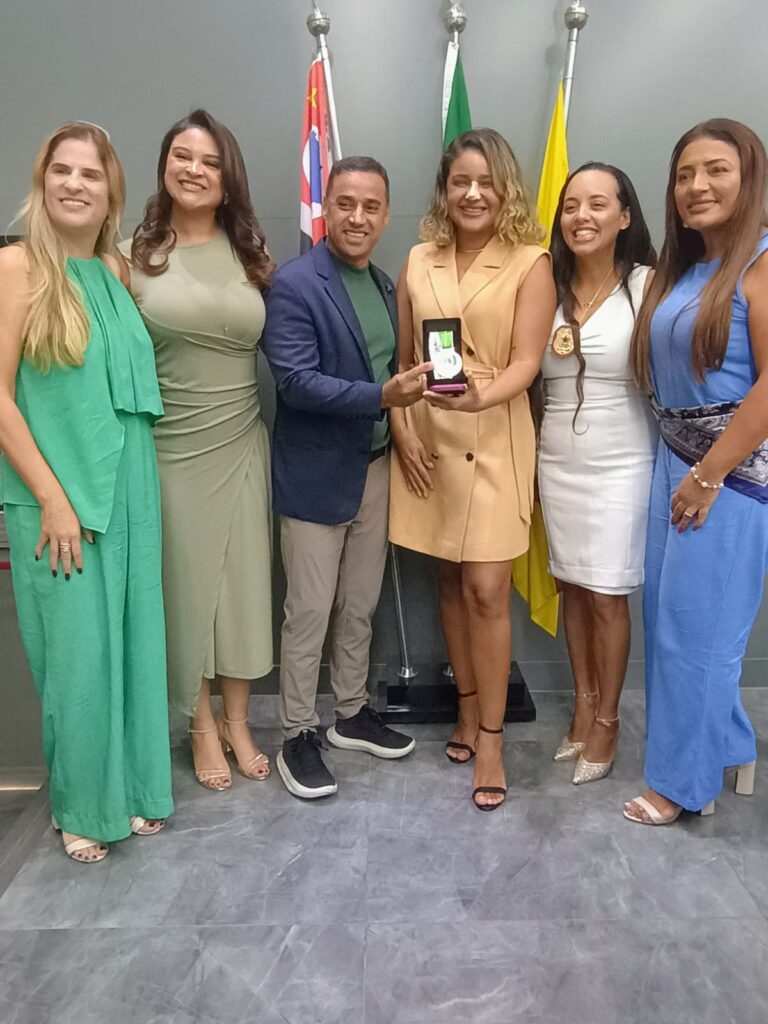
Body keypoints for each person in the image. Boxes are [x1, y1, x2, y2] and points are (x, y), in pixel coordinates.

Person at [0, 122, 173, 861]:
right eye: (61, 170)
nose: (74, 184)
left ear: (111, 194)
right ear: (42, 183)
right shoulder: (15, 268)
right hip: (56, 498)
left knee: (132, 647)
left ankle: (131, 789)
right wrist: (52, 497)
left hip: (130, 489)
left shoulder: (113, 272)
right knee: (77, 662)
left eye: (90, 174)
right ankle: (81, 806)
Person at [389, 128, 556, 810]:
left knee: (488, 589)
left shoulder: (530, 261)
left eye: (485, 181)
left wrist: (482, 397)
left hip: (494, 434)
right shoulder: (417, 258)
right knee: (450, 582)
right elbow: (404, 361)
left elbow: (527, 362)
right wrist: (401, 429)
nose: (473, 193)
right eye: (460, 181)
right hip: (430, 439)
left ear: (505, 188)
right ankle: (463, 708)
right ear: (445, 190)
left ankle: (490, 738)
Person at [262, 156, 426, 800]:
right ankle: (297, 733)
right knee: (308, 611)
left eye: (371, 206)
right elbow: (296, 383)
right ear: (326, 208)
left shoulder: (385, 285)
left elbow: (394, 369)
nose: (358, 217)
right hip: (314, 476)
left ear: (385, 216)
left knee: (360, 604)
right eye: (346, 204)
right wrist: (382, 396)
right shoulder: (294, 284)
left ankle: (350, 712)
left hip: (374, 469)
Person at [122, 110, 275, 791]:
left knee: (241, 588)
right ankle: (200, 722)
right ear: (164, 166)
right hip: (172, 450)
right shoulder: (128, 258)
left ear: (227, 176)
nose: (194, 170)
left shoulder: (250, 254)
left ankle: (239, 720)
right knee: (187, 591)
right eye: (182, 156)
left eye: (210, 161)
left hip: (242, 440)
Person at [624, 118, 768, 825]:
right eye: (684, 175)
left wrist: (711, 474)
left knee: (699, 636)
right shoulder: (686, 270)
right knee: (669, 625)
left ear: (750, 179)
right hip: (674, 463)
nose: (696, 186)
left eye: (716, 170)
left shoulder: (761, 264)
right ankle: (730, 745)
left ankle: (684, 786)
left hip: (727, 477)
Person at [539, 163, 657, 785]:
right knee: (572, 586)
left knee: (608, 593)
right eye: (570, 206)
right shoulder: (546, 287)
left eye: (597, 204)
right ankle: (583, 705)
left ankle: (608, 720)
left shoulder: (648, 285)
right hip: (556, 458)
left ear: (624, 216)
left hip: (623, 460)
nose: (581, 217)